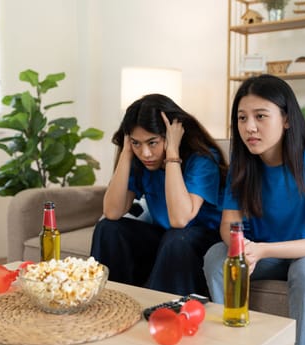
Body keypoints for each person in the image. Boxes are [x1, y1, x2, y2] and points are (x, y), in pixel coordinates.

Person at [203, 75, 305, 345]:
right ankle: (231, 343)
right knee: (217, 257)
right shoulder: (242, 162)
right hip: (265, 254)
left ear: (286, 119)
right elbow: (229, 225)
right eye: (242, 118)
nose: (249, 127)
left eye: (260, 116)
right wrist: (244, 248)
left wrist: (263, 250)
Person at [91, 93, 228, 296]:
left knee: (177, 238)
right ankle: (110, 304)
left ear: (172, 134)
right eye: (136, 143)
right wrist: (126, 152)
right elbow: (112, 211)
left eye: (152, 143)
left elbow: (180, 219)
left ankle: (163, 314)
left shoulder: (202, 158)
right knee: (108, 229)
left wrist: (172, 153)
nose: (145, 153)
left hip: (201, 242)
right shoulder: (140, 159)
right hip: (167, 240)